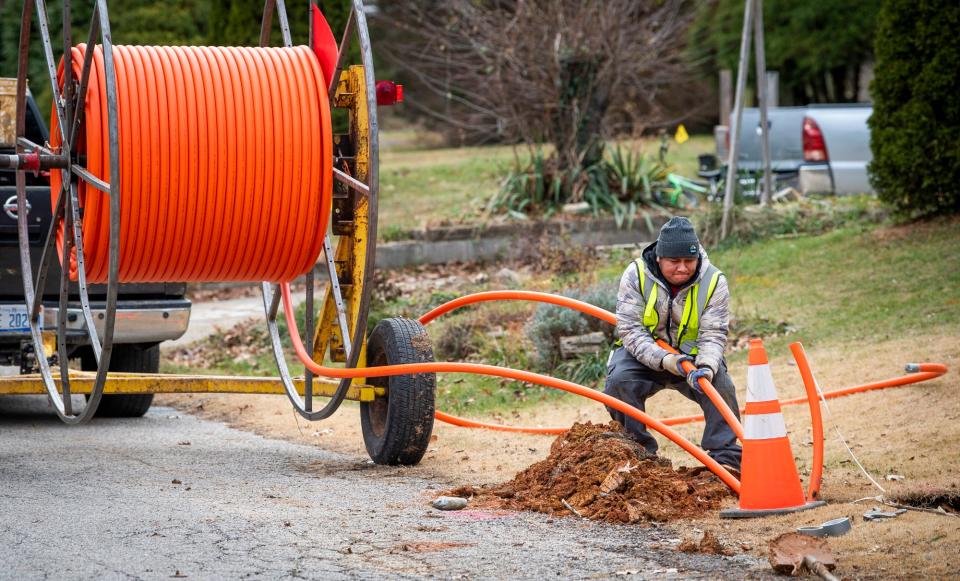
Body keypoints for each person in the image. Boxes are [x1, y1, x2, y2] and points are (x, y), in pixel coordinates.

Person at [603, 216, 742, 470]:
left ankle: (726, 460)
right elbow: (630, 329)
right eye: (674, 262)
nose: (682, 268)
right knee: (619, 382)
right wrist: (665, 359)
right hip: (645, 354)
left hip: (694, 360)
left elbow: (714, 333)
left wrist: (708, 367)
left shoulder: (713, 281)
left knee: (722, 387)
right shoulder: (636, 275)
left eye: (689, 261)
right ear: (659, 258)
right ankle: (639, 457)